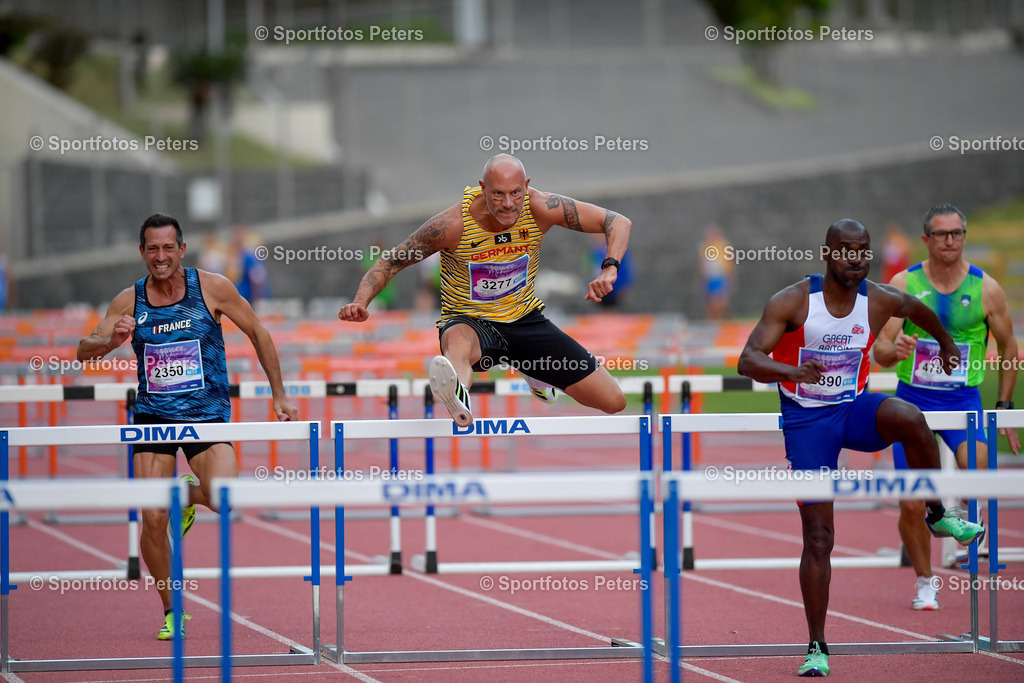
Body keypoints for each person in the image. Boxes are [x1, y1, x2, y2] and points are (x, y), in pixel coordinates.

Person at [737, 219, 984, 678]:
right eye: (845, 250)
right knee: (819, 537)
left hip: (852, 409)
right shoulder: (793, 301)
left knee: (911, 418)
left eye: (862, 250)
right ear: (827, 253)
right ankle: (817, 646)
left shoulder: (878, 300)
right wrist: (793, 373)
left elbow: (917, 308)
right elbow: (747, 359)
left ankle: (936, 513)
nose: (855, 258)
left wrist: (947, 343)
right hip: (808, 422)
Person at [77, 213, 297, 640]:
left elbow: (258, 332)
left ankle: (186, 495)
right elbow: (84, 350)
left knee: (225, 497)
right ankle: (172, 609)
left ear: (182, 249)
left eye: (168, 248)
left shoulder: (212, 287)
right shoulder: (129, 299)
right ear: (142, 252)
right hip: (153, 419)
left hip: (206, 415)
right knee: (152, 518)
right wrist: (110, 341)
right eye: (152, 249)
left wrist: (279, 394)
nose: (160, 257)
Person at [339, 154, 630, 425]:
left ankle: (531, 368)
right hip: (472, 323)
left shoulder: (541, 207)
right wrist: (360, 301)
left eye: (516, 193)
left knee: (613, 401)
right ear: (482, 188)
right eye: (498, 194)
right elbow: (391, 261)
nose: (508, 204)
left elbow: (617, 222)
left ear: (526, 186)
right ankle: (458, 394)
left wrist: (609, 267)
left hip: (524, 320)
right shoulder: (451, 226)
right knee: (457, 340)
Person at [874, 203, 1019, 610]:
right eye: (942, 234)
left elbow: (1009, 346)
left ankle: (953, 515)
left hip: (961, 400)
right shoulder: (905, 283)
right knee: (910, 501)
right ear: (926, 239)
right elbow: (879, 348)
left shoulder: (986, 288)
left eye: (957, 233)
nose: (951, 241)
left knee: (979, 469)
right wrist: (895, 350)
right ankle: (925, 581)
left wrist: (1004, 407)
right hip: (912, 403)